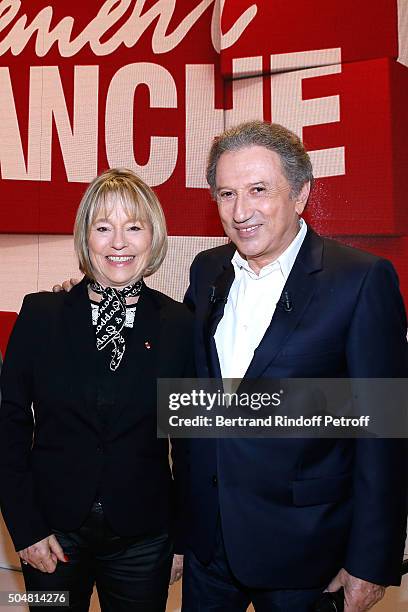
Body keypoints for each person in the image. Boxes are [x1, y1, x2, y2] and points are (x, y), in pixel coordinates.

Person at [181, 121, 408, 611]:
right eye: (226, 194)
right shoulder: (206, 271)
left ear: (301, 193)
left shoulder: (361, 280)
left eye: (258, 190)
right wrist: (92, 298)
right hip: (209, 547)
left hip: (307, 556)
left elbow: (385, 432)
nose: (241, 212)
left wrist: (371, 560)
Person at [0, 168, 193, 612]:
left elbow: (189, 445)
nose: (118, 242)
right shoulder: (41, 314)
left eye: (133, 227)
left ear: (153, 237)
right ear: (85, 236)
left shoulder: (179, 324)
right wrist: (26, 529)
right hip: (50, 533)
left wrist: (184, 538)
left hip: (144, 542)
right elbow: (9, 426)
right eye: (103, 227)